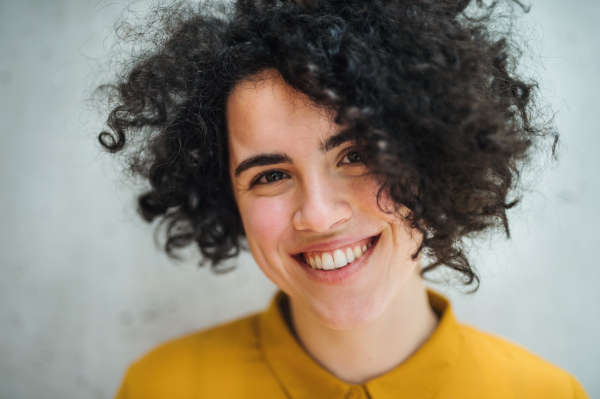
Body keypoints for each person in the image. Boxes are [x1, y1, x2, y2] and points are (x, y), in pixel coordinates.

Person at [98, 0, 589, 397]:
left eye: (357, 154)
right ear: (226, 195)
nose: (318, 214)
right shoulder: (161, 387)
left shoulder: (546, 392)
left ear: (431, 156)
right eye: (270, 174)